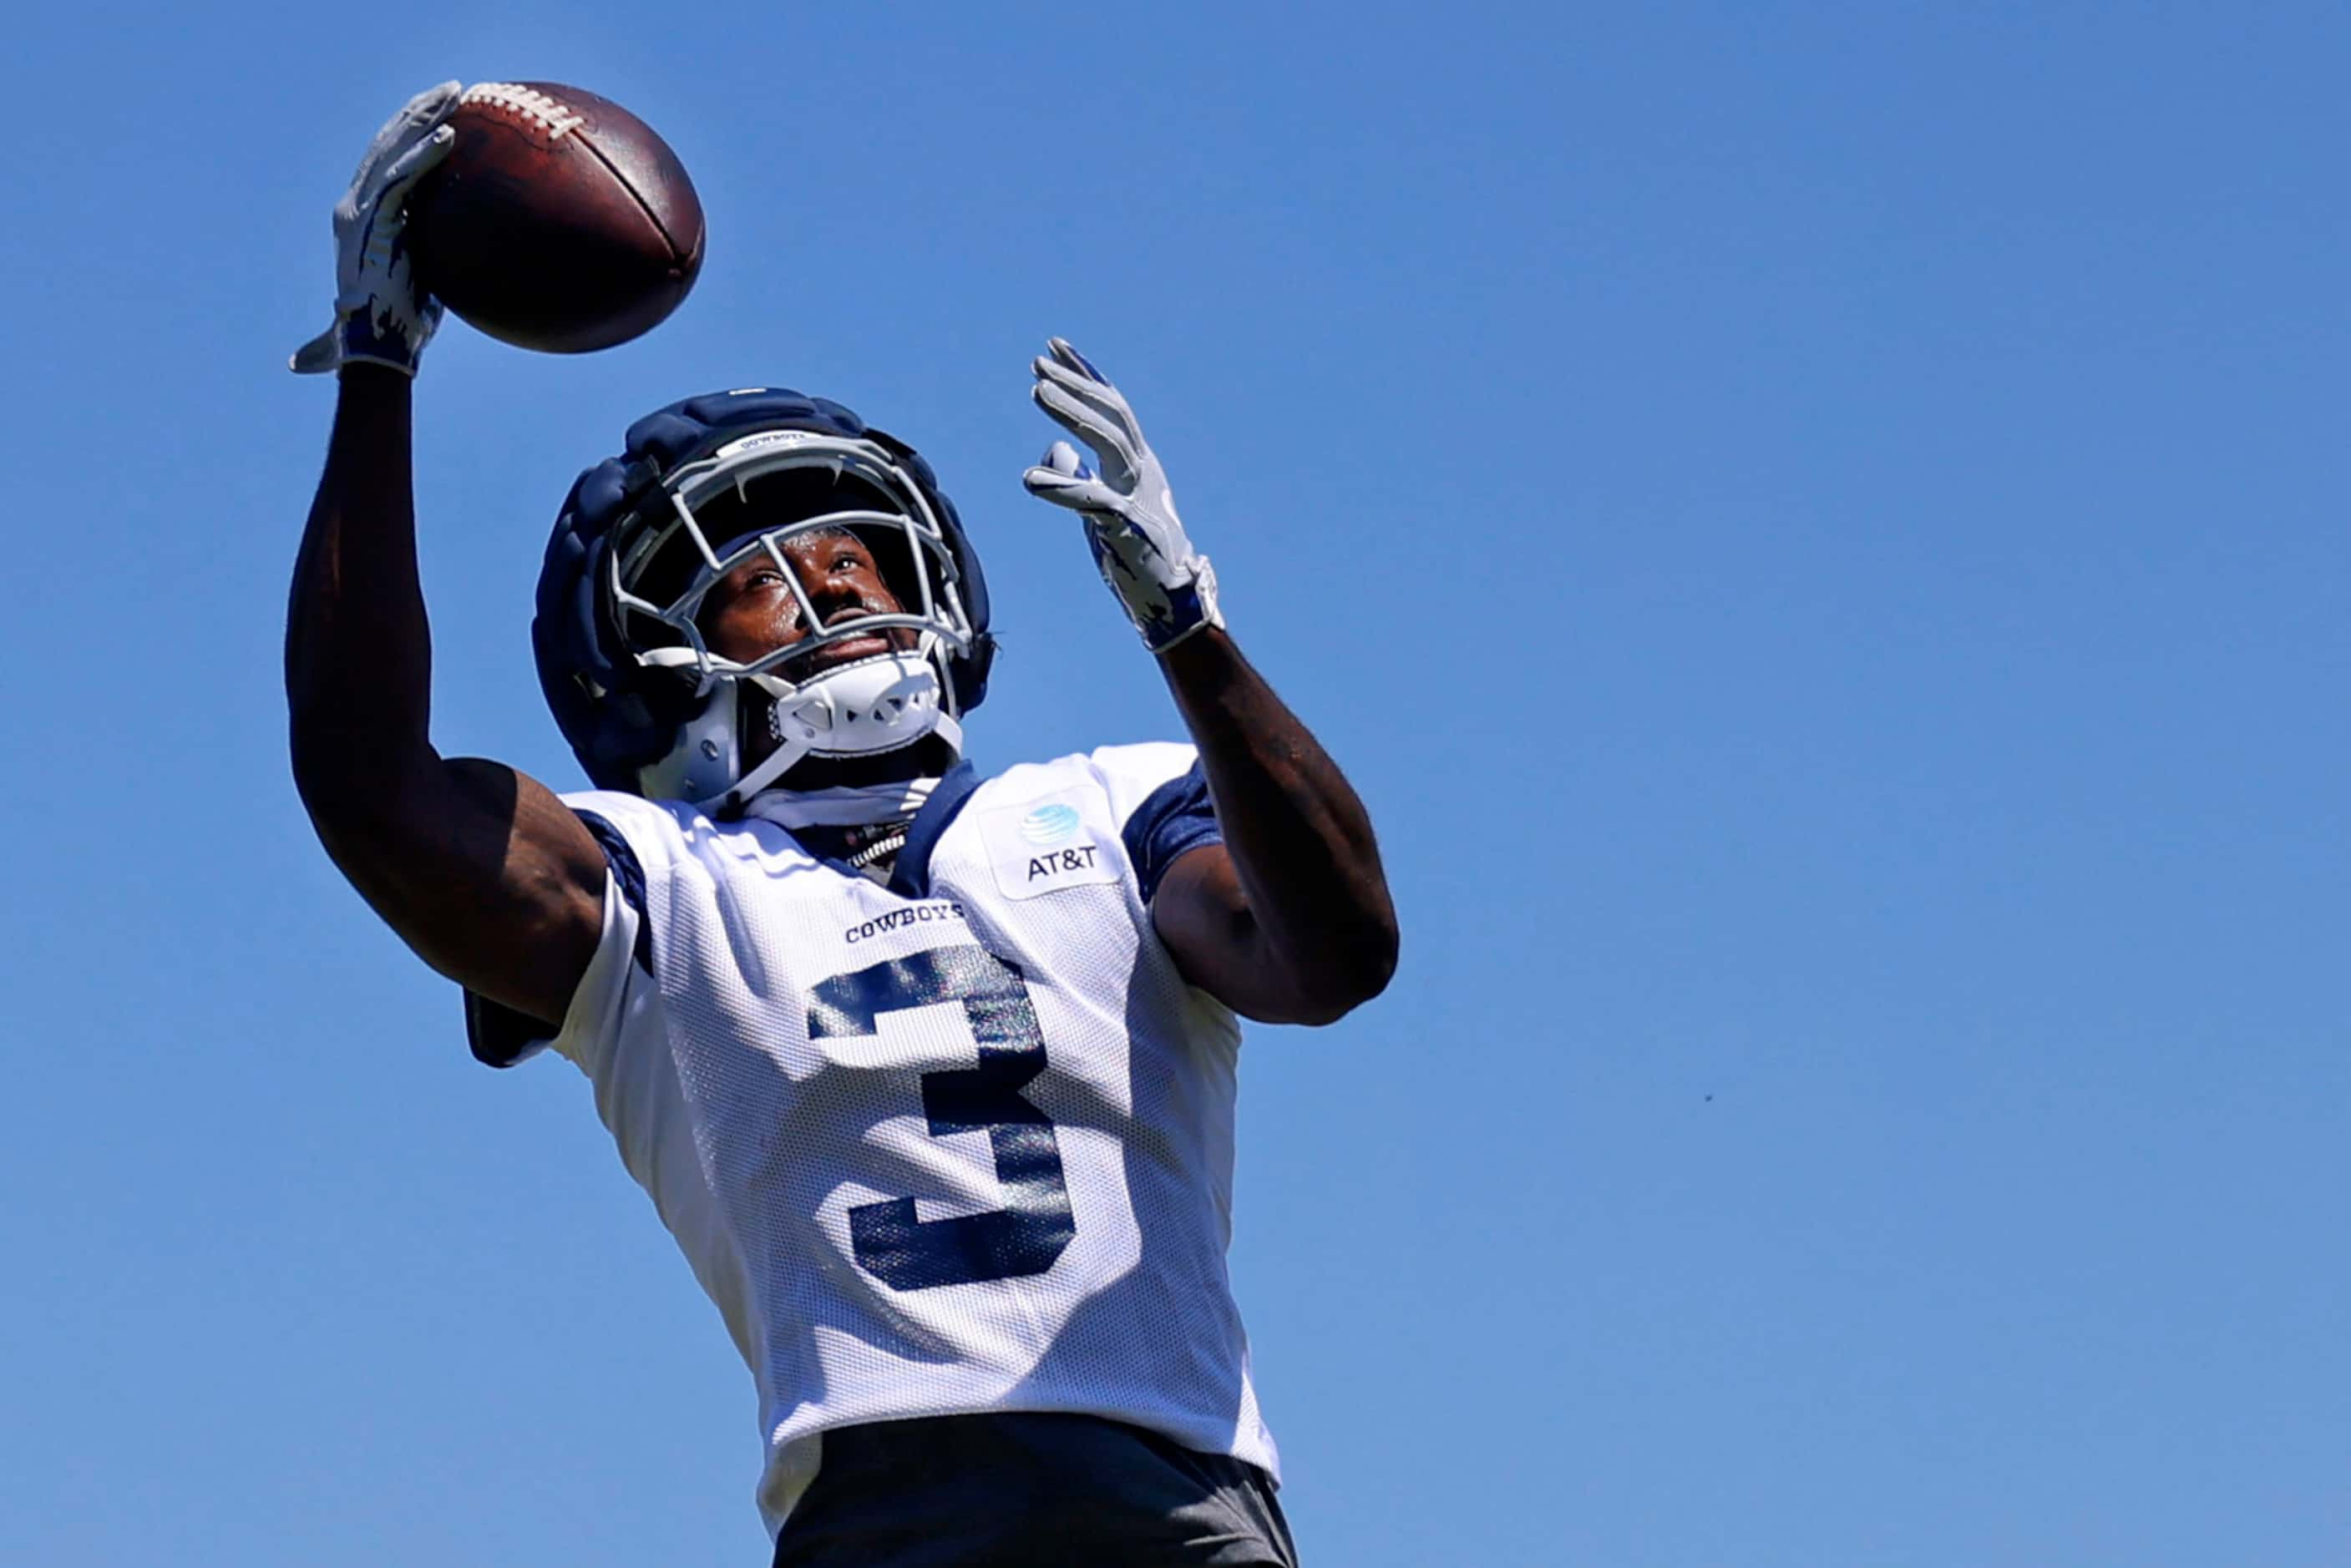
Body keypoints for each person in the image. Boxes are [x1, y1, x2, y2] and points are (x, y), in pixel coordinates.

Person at [285, 85, 1398, 1566]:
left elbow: (1334, 955)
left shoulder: (1113, 805)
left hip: (1179, 1499)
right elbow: (373, 789)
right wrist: (377, 377)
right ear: (643, 653)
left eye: (861, 552)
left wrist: (1189, 625)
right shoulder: (656, 885)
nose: (842, 589)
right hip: (882, 1521)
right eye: (767, 573)